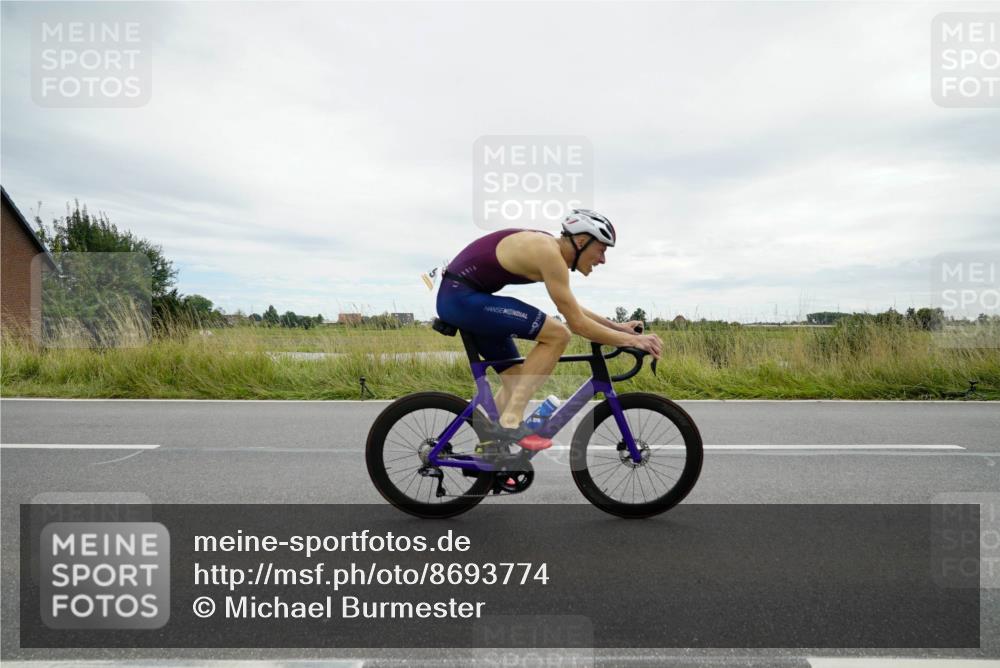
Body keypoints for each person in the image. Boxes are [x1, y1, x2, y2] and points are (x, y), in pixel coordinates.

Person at [436, 209, 663, 451]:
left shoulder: (551, 251)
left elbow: (571, 306)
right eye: (602, 249)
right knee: (558, 334)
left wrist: (618, 328)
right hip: (462, 299)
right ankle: (511, 423)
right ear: (582, 241)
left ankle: (493, 453)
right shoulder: (549, 254)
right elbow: (576, 324)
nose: (603, 259)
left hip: (465, 298)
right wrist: (632, 341)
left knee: (515, 380)